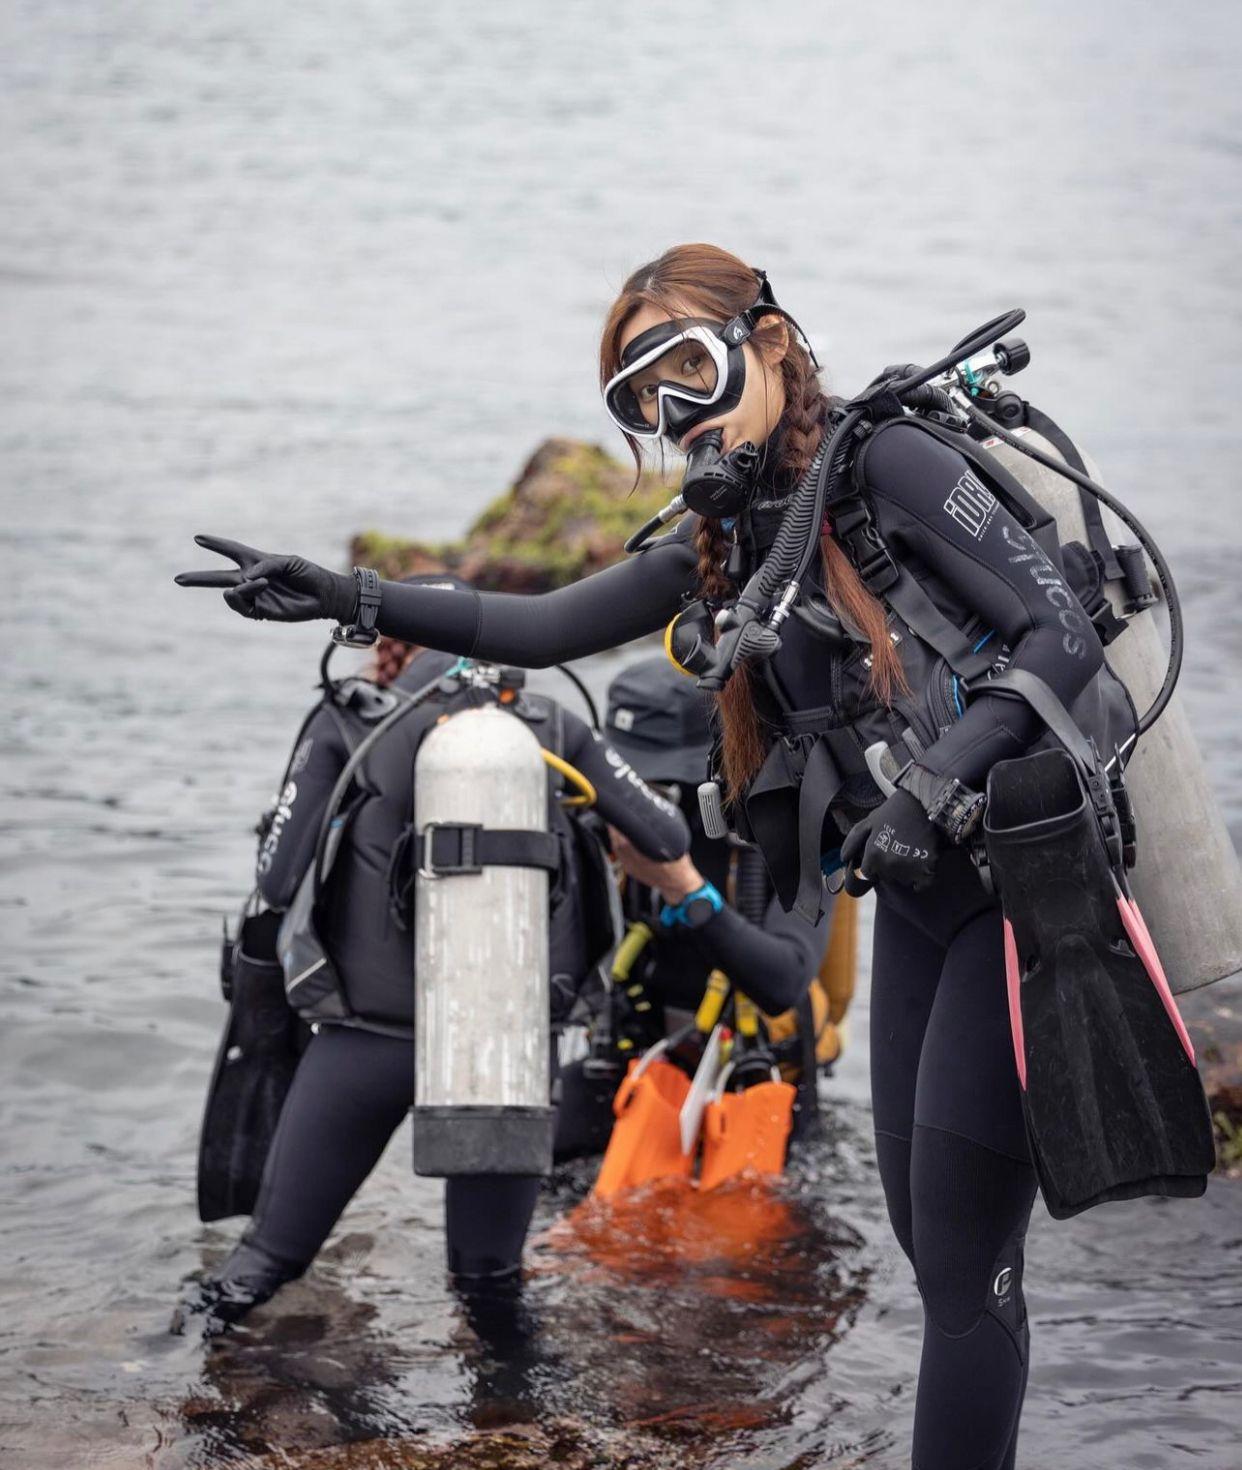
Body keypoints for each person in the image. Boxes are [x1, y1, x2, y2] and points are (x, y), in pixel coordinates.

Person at [175, 244, 1151, 1465]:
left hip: (1021, 884)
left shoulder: (890, 462)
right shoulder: (735, 533)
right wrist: (348, 594)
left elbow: (1060, 639)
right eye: (639, 397)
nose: (670, 412)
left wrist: (940, 785)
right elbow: (536, 622)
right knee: (924, 1238)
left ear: (773, 344)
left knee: (962, 1267)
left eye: (687, 366)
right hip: (919, 899)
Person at [176, 578, 689, 1335]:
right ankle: (519, 1432)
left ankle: (168, 1387)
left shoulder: (348, 721)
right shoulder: (549, 724)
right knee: (490, 1287)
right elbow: (667, 835)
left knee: (265, 1262)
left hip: (366, 1045)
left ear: (391, 650)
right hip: (506, 1051)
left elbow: (276, 878)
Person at [555, 654, 840, 1165]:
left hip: (753, 1070)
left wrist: (682, 887)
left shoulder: (791, 829)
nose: (644, 801)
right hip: (636, 1055)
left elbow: (784, 981)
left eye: (661, 782)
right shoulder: (596, 825)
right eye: (628, 781)